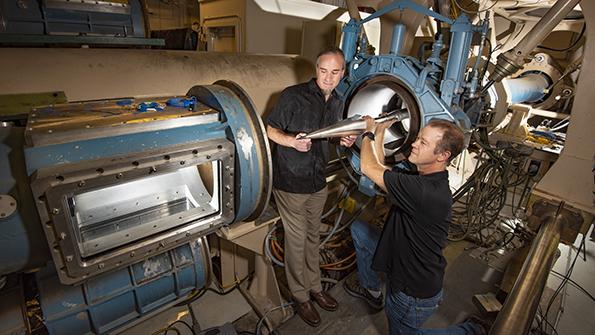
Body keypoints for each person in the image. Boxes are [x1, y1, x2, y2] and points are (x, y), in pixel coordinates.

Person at [344, 117, 486, 335]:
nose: (414, 144)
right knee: (360, 231)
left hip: (412, 294)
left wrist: (368, 133)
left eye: (423, 143)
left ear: (442, 155)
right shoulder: (423, 179)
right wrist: (381, 131)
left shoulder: (423, 192)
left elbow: (368, 167)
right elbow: (381, 167)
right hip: (402, 270)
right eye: (418, 138)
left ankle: (472, 331)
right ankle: (372, 291)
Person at [266, 47, 357, 327]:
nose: (328, 78)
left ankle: (315, 288)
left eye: (335, 72)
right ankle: (300, 296)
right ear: (316, 70)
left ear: (343, 73)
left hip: (317, 180)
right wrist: (292, 142)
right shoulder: (293, 96)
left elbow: (330, 133)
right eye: (323, 71)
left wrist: (343, 139)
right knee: (296, 242)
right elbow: (270, 129)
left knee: (313, 238)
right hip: (292, 181)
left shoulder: (338, 101)